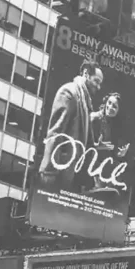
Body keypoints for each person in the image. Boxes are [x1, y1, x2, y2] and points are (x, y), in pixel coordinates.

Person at [38, 60, 104, 189]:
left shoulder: (83, 99)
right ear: (86, 74)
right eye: (96, 81)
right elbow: (55, 135)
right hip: (57, 176)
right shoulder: (69, 93)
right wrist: (49, 173)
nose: (98, 87)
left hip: (69, 176)